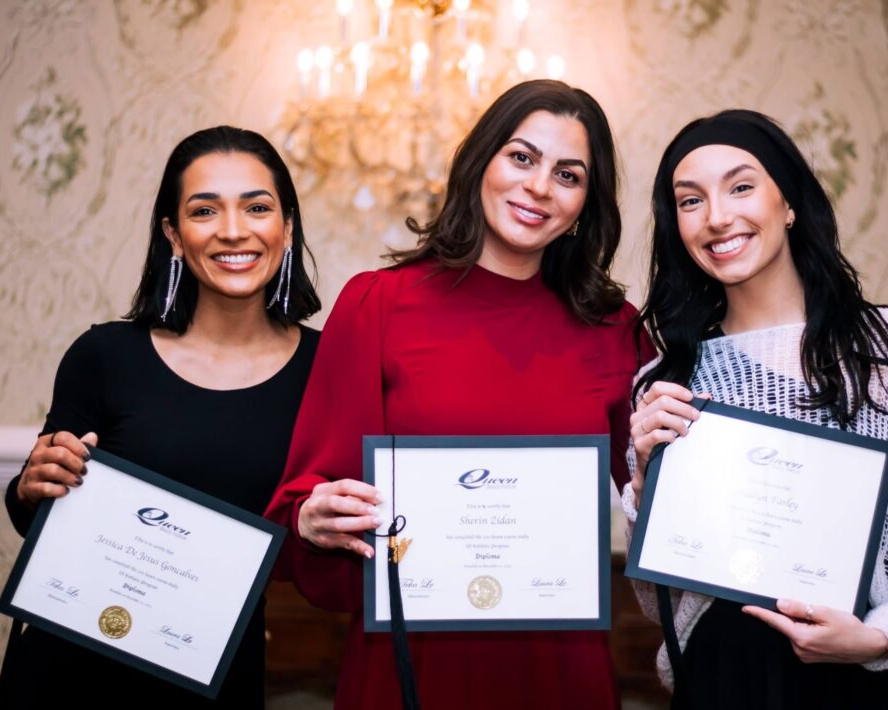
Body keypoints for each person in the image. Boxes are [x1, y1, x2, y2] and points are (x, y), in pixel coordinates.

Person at [265, 79, 654, 710]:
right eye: (521, 158)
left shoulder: (616, 329)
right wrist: (313, 517)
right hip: (411, 660)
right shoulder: (378, 305)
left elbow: (654, 506)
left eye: (568, 174)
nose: (538, 186)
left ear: (586, 202)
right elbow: (306, 495)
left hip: (559, 664)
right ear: (481, 162)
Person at [625, 109, 888, 709]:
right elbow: (655, 601)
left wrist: (881, 634)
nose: (718, 216)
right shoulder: (665, 382)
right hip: (724, 679)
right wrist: (646, 482)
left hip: (865, 675)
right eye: (691, 201)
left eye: (741, 186)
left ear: (789, 202)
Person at [0, 126, 322, 708]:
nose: (232, 229)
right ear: (173, 233)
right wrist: (30, 485)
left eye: (257, 206)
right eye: (204, 210)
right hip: (70, 673)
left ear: (287, 225)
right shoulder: (104, 356)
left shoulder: (327, 369)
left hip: (217, 674)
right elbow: (33, 514)